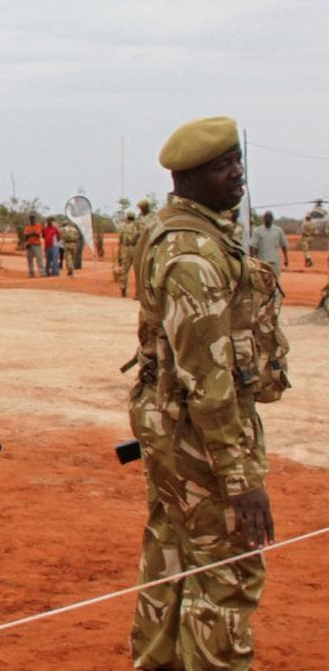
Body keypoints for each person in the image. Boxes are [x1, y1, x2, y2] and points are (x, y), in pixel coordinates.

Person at [127, 115, 283, 670]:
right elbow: (208, 382)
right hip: (201, 440)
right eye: (222, 166)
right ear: (187, 178)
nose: (237, 174)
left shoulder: (185, 232)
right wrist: (241, 481)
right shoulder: (192, 255)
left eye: (237, 161)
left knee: (172, 559)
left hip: (175, 430)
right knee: (226, 575)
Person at [249, 211, 289, 283]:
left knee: (275, 280)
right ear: (263, 219)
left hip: (275, 261)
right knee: (262, 281)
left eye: (269, 218)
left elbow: (283, 245)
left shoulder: (278, 230)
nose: (267, 220)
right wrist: (252, 259)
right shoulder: (258, 231)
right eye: (266, 218)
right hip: (262, 261)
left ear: (272, 219)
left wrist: (286, 258)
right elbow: (253, 246)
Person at [115, 210, 139, 297]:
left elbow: (120, 241)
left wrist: (119, 253)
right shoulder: (137, 227)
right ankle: (137, 293)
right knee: (137, 271)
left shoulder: (123, 227)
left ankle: (123, 290)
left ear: (127, 218)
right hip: (135, 248)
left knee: (124, 270)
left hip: (125, 249)